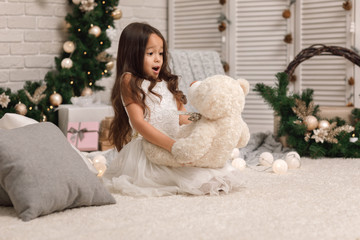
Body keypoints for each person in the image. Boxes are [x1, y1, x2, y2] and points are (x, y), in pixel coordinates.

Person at [103, 22, 243, 197]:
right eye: (150, 53)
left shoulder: (166, 82)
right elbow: (139, 123)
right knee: (192, 179)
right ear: (133, 55)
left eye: (160, 53)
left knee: (216, 172)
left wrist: (203, 118)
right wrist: (172, 146)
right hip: (152, 148)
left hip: (175, 143)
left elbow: (182, 117)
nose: (158, 59)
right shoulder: (129, 80)